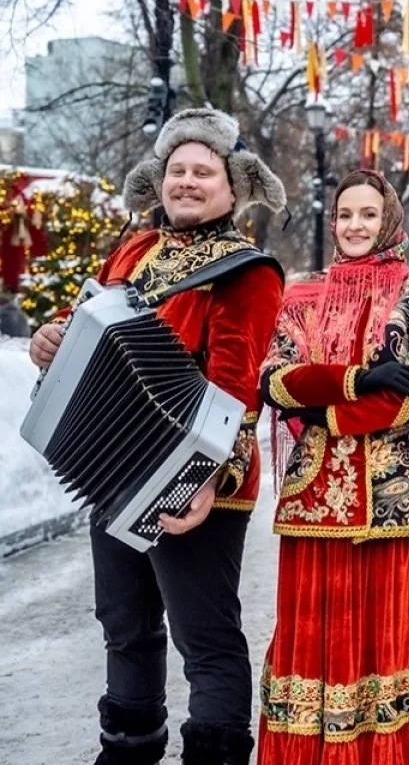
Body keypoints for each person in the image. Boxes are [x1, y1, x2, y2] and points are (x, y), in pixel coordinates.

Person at [27, 108, 286, 765]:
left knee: (205, 637)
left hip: (203, 481)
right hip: (112, 465)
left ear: (232, 186)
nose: (188, 181)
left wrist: (199, 477)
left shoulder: (248, 268)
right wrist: (50, 336)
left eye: (204, 171)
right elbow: (89, 318)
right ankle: (127, 752)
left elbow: (234, 381)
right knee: (125, 627)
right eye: (177, 170)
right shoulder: (134, 246)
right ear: (159, 179)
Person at [256, 170, 409, 765]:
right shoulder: (302, 293)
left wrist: (328, 410)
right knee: (316, 641)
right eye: (345, 214)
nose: (354, 226)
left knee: (396, 638)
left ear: (390, 221)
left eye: (368, 215)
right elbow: (274, 379)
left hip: (398, 497)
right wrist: (359, 378)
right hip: (315, 498)